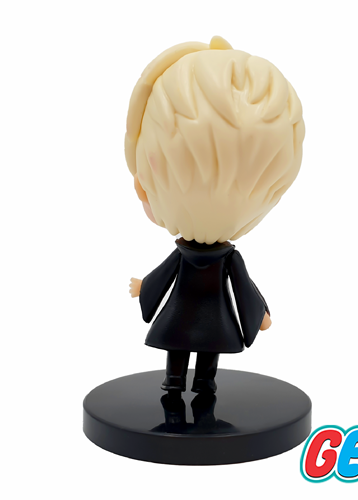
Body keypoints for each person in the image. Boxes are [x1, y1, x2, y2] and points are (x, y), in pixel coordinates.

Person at [125, 36, 305, 395]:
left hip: (184, 316)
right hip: (216, 319)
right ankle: (189, 381)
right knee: (203, 350)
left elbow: (240, 285)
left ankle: (188, 381)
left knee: (186, 348)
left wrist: (146, 287)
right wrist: (259, 314)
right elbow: (240, 287)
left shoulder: (209, 257)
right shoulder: (217, 257)